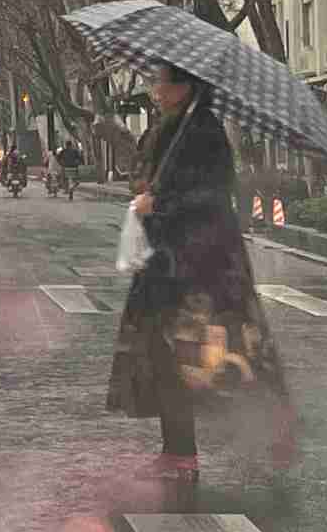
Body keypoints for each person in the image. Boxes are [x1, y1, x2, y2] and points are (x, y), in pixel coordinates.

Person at [106, 61, 296, 484]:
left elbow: (211, 195)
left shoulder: (203, 132)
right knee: (164, 354)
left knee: (206, 355)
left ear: (184, 87)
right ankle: (178, 450)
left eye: (161, 82)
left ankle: (269, 431)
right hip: (168, 260)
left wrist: (162, 206)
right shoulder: (172, 126)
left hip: (200, 265)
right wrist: (149, 196)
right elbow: (148, 175)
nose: (155, 90)